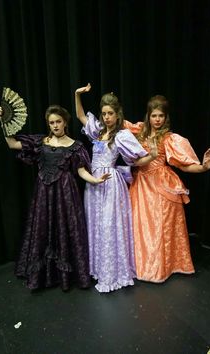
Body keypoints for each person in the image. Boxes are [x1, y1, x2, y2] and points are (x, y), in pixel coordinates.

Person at [0, 104, 110, 292]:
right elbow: (12, 144)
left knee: (66, 229)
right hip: (44, 195)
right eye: (51, 123)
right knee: (43, 228)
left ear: (65, 122)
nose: (55, 125)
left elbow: (81, 171)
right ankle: (44, 275)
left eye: (58, 122)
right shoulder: (41, 142)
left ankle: (66, 277)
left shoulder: (75, 146)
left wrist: (96, 180)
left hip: (66, 195)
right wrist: (3, 121)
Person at [75, 83, 157, 293]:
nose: (106, 117)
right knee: (95, 223)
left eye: (110, 113)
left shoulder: (122, 135)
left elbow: (138, 160)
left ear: (117, 113)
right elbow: (82, 117)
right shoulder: (97, 131)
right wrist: (77, 95)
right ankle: (98, 269)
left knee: (109, 225)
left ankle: (112, 272)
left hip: (110, 182)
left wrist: (153, 155)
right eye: (103, 113)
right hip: (93, 183)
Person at [124, 94, 210, 283]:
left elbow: (183, 165)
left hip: (161, 184)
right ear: (148, 115)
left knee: (159, 226)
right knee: (140, 226)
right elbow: (116, 123)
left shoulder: (169, 138)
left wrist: (203, 167)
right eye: (154, 115)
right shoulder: (138, 130)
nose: (157, 120)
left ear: (166, 117)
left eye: (161, 116)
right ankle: (140, 265)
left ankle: (162, 267)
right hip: (141, 184)